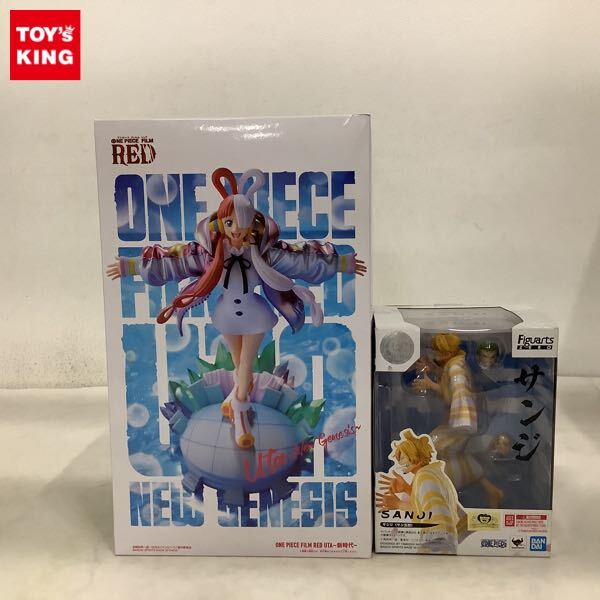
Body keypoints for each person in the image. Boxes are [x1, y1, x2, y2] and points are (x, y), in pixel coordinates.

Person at [107, 167, 366, 449]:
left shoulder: (265, 253)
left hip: (255, 315)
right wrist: (132, 266)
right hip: (227, 315)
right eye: (230, 223)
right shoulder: (208, 254)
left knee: (245, 364)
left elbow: (301, 260)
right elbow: (173, 261)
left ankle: (240, 412)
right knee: (238, 363)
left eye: (243, 224)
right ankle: (233, 399)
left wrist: (342, 263)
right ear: (221, 223)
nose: (237, 230)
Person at [411, 333, 504, 508]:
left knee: (432, 447)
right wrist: (433, 368)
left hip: (461, 423)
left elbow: (454, 395)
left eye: (437, 352)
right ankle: (491, 490)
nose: (434, 354)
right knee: (455, 456)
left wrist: (431, 385)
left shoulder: (455, 368)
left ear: (446, 352)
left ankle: (442, 492)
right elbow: (448, 380)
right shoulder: (455, 364)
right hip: (456, 422)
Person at [376, 429, 464, 554]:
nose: (399, 462)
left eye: (402, 457)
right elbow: (430, 504)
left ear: (415, 456)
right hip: (441, 545)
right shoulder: (434, 474)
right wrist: (407, 489)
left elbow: (433, 514)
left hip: (436, 547)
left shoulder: (425, 477)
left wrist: (398, 504)